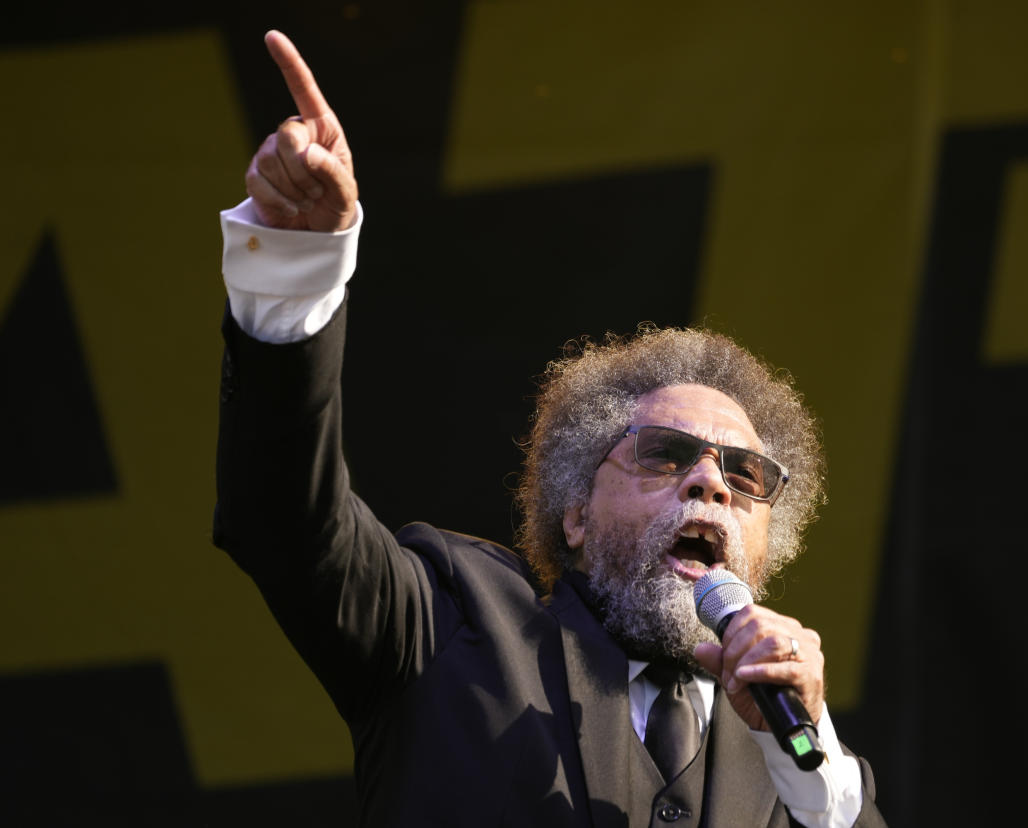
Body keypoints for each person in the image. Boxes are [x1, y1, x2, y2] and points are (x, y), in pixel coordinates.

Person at [214, 30, 887, 828]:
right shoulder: (446, 626)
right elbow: (288, 519)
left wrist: (807, 760)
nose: (709, 481)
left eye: (744, 475)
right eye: (666, 456)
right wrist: (295, 261)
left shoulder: (805, 763)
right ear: (574, 510)